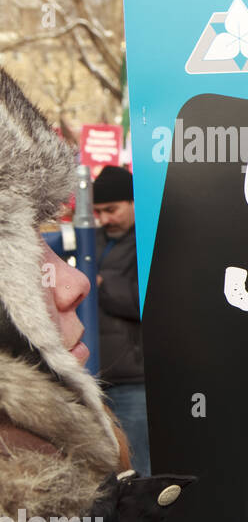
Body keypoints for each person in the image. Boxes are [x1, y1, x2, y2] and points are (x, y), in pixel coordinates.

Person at [0, 69, 248, 522]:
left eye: (49, 242)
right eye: (23, 251)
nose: (69, 285)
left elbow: (155, 299)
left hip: (136, 385)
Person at [93, 164, 151, 476]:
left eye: (112, 209)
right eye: (99, 212)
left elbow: (147, 301)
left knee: (139, 467)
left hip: (133, 381)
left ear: (132, 202)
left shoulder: (148, 240)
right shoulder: (95, 240)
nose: (105, 219)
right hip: (96, 378)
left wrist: (101, 284)